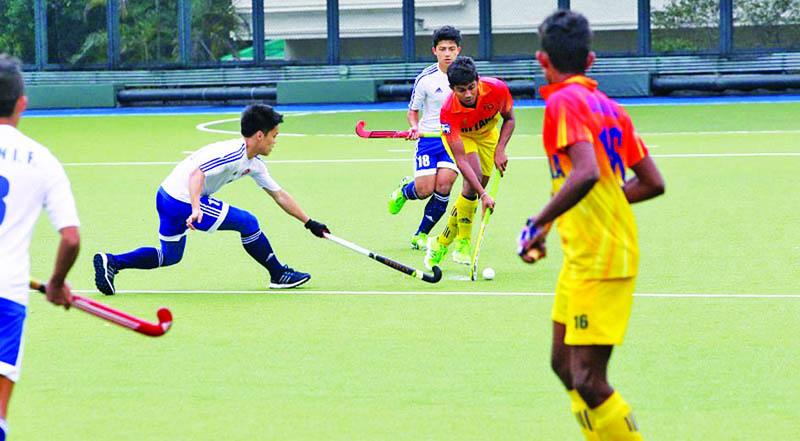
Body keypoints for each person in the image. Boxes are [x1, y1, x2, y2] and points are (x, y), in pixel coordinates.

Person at [518, 10, 665, 441]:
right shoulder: (608, 107)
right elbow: (651, 182)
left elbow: (584, 173)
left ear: (542, 60)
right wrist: (554, 226)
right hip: (584, 255)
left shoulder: (563, 102)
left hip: (601, 256)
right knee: (563, 365)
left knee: (586, 377)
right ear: (592, 59)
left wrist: (536, 221)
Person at [93, 104, 330, 294]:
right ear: (259, 135)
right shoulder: (232, 153)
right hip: (182, 200)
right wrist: (196, 208)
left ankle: (111, 262)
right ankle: (278, 274)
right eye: (274, 136)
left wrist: (309, 222)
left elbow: (279, 194)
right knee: (248, 222)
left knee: (170, 256)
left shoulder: (254, 163)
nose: (275, 141)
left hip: (166, 195)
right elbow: (197, 175)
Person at [0, 54, 81, 441]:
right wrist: (57, 283)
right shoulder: (42, 160)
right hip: (7, 294)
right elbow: (71, 237)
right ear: (22, 103)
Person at [424, 56, 515, 269]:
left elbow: (509, 119)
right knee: (472, 184)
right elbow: (461, 160)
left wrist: (501, 149)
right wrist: (484, 196)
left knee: (475, 186)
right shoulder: (448, 112)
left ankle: (440, 243)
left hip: (487, 136)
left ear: (478, 80)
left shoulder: (497, 89)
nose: (468, 94)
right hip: (463, 139)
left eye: (471, 87)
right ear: (452, 88)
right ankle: (462, 242)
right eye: (461, 90)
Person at [387, 25, 462, 250]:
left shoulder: (467, 75)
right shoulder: (426, 79)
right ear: (434, 51)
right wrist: (414, 127)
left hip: (454, 140)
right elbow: (413, 111)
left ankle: (421, 234)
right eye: (442, 49)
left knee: (444, 184)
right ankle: (404, 191)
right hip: (428, 140)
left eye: (451, 48)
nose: (447, 53)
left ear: (459, 50)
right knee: (424, 190)